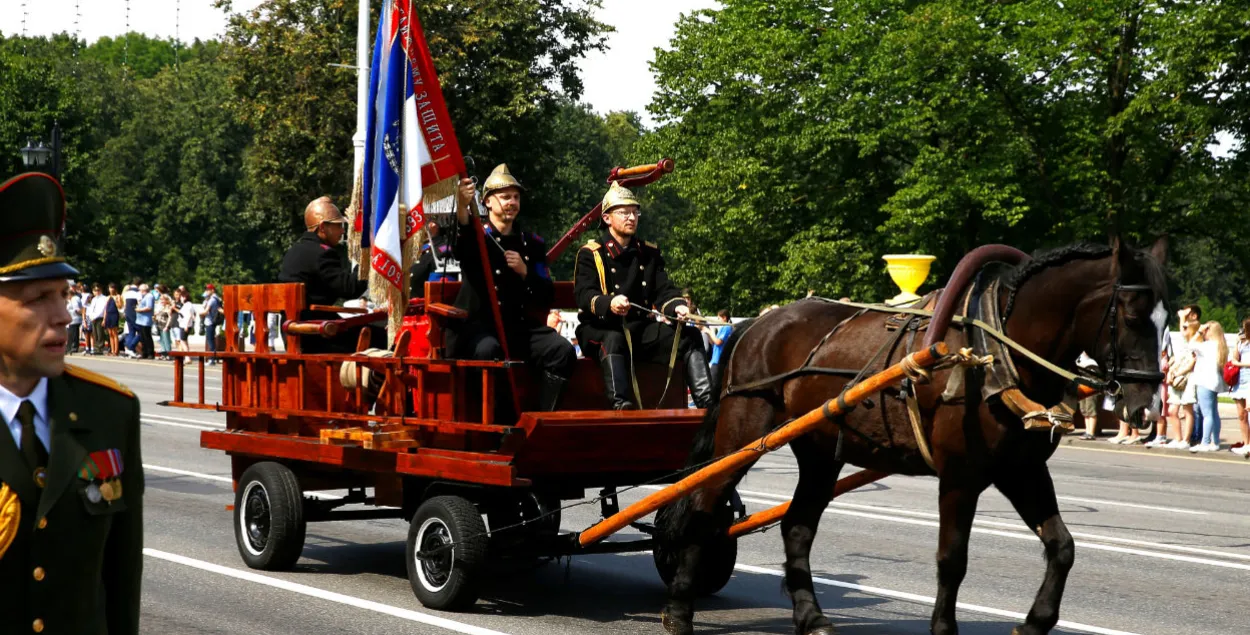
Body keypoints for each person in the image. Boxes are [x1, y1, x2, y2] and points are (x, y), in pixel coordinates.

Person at [0, 172, 144, 634]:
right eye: (39, 298)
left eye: (63, 294)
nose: (63, 315)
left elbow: (121, 584)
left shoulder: (111, 412)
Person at [574, 181, 713, 410]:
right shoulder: (591, 253)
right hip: (600, 329)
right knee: (614, 339)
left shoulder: (648, 252)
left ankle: (708, 408)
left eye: (634, 212)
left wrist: (677, 306)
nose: (631, 218)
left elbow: (664, 290)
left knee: (690, 337)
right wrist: (610, 303)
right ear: (607, 218)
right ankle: (622, 406)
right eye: (624, 212)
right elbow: (583, 294)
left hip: (640, 329)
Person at [449, 165, 574, 412]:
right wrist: (463, 207)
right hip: (480, 327)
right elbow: (461, 245)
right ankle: (495, 425)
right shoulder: (478, 238)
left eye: (516, 197)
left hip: (518, 327)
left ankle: (542, 419)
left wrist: (525, 272)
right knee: (488, 350)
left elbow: (545, 293)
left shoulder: (532, 244)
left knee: (562, 350)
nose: (512, 202)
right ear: (487, 203)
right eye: (505, 197)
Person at [278, 196, 372, 352]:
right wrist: (367, 257)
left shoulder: (294, 251)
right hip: (317, 335)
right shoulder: (322, 254)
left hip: (294, 333)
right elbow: (349, 289)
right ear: (322, 227)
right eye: (338, 226)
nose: (342, 231)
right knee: (382, 336)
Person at [1190, 321, 1227, 452]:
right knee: (1214, 413)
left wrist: (1199, 331)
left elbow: (1190, 345)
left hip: (1205, 381)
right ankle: (1215, 442)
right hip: (1215, 381)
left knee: (1207, 414)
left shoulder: (1208, 345)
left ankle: (1205, 442)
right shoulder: (1220, 345)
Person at [409, 219, 458, 298]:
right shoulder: (420, 247)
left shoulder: (443, 250)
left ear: (432, 225)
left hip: (422, 304)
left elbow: (436, 292)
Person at [708, 309, 733, 391]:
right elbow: (713, 343)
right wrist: (708, 333)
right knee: (712, 384)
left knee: (713, 385)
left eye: (718, 318)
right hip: (715, 360)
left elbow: (718, 342)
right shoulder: (723, 328)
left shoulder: (727, 327)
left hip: (719, 360)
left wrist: (710, 332)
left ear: (724, 318)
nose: (717, 320)